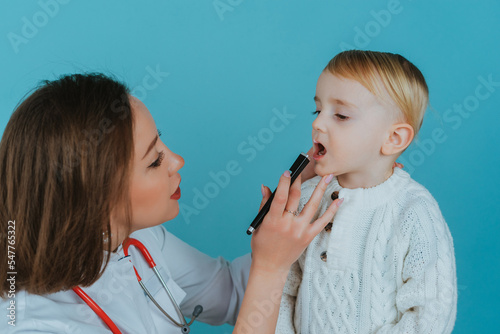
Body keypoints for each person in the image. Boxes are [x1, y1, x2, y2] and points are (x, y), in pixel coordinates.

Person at [0, 73, 343, 333]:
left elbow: (234, 295)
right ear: (92, 194)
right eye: (153, 161)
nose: (177, 161)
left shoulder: (137, 243)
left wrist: (310, 190)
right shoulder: (31, 324)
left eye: (161, 144)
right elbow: (263, 280)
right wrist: (270, 268)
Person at [275, 50, 457, 333]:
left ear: (393, 138)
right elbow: (282, 292)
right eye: (317, 110)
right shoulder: (307, 200)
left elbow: (430, 314)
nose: (317, 123)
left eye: (341, 115)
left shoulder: (414, 210)